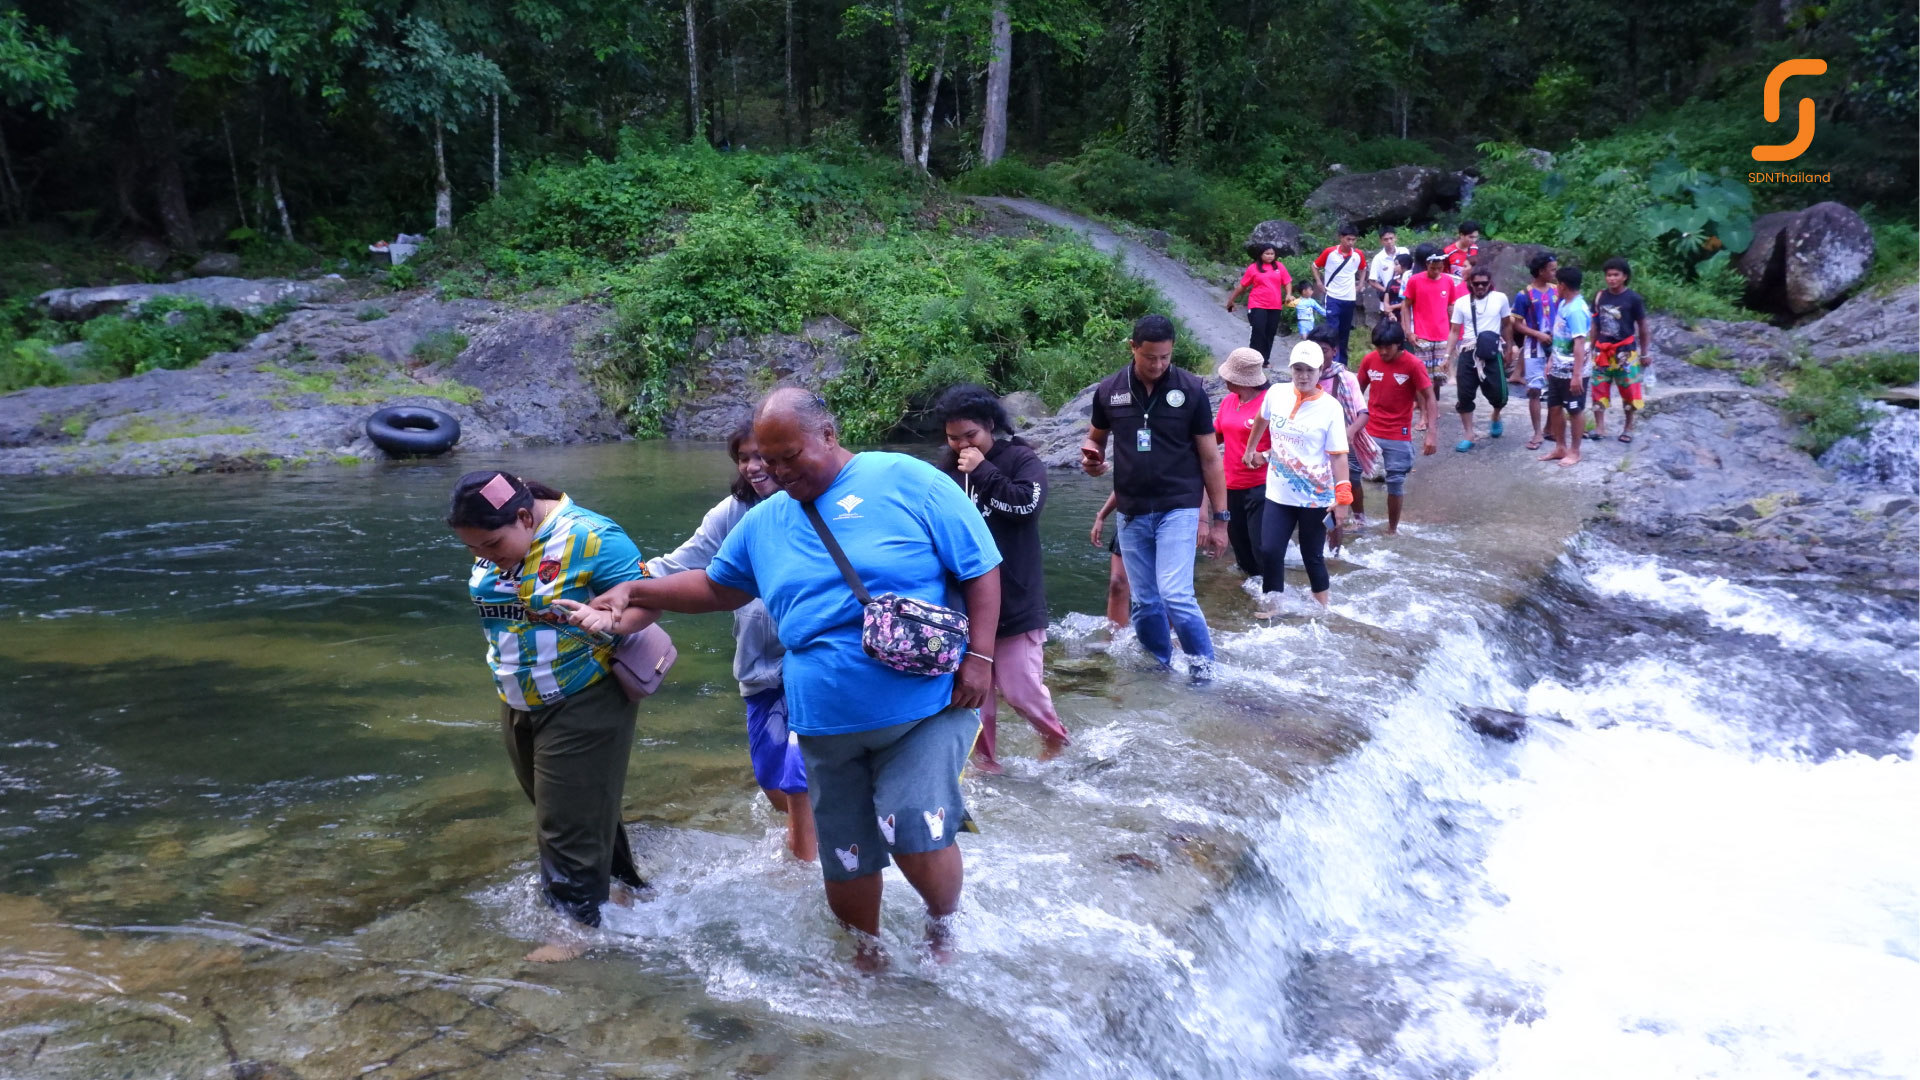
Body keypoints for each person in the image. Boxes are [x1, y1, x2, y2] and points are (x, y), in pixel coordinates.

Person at [562, 388, 1002, 969]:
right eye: (768, 460)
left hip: (921, 704)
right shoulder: (764, 520)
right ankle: (865, 956)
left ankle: (942, 929)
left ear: (829, 433)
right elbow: (718, 586)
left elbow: (982, 566)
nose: (778, 470)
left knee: (914, 828)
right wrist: (634, 590)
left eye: (791, 455)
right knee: (844, 854)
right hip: (822, 720)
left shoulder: (907, 479)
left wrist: (982, 658)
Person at [446, 471, 655, 962]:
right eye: (475, 549)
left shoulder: (593, 537)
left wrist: (609, 619)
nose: (486, 555)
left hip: (583, 693)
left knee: (563, 821)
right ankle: (625, 888)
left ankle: (575, 928)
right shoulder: (495, 540)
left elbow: (647, 600)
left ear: (524, 517)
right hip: (518, 696)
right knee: (570, 808)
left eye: (493, 543)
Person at [644, 422, 815, 863]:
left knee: (800, 778)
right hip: (759, 664)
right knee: (771, 779)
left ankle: (808, 861)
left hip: (811, 660)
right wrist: (623, 583)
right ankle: (821, 830)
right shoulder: (732, 512)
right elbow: (682, 564)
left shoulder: (813, 500)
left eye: (763, 456)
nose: (755, 467)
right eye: (745, 458)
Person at [1081, 314, 1229, 683]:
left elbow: (1210, 458)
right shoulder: (1109, 390)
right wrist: (1091, 459)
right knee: (1145, 601)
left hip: (1178, 505)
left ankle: (1204, 671)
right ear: (1133, 348)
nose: (1159, 365)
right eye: (1151, 357)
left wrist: (1219, 521)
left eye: (1165, 357)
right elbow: (1095, 439)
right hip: (1131, 509)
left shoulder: (1191, 390)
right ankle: (1159, 668)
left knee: (1175, 593)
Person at [933, 385, 1070, 774]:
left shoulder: (1020, 459)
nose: (962, 446)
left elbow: (1026, 506)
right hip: (964, 603)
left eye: (970, 436)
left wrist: (983, 471)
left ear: (990, 426)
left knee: (1020, 689)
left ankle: (1055, 737)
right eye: (953, 438)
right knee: (975, 694)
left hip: (1016, 599)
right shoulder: (945, 472)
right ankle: (985, 762)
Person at [1242, 341, 1351, 614]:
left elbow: (1338, 456)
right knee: (1269, 550)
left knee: (1311, 555)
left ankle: (1322, 610)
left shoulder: (1330, 408)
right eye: (1298, 369)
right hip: (1278, 492)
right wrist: (1251, 448)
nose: (1303, 376)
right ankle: (1273, 605)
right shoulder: (1276, 393)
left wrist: (1343, 498)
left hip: (1316, 497)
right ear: (1290, 369)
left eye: (1310, 370)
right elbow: (1261, 419)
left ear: (1320, 371)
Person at [1356, 319, 1439, 534]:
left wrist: (1431, 433)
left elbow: (1430, 397)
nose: (1383, 352)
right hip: (1368, 431)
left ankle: (1392, 530)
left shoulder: (1413, 364)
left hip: (1398, 434)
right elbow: (1356, 393)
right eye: (1379, 346)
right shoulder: (1369, 361)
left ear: (1399, 344)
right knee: (1352, 473)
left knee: (1395, 482)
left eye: (1388, 347)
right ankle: (1359, 521)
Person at [1304, 323, 1375, 553]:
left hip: (1343, 444)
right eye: (1315, 349)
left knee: (1346, 487)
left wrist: (1350, 432)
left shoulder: (1346, 379)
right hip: (1313, 446)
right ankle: (1317, 546)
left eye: (1324, 350)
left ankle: (1335, 550)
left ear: (1334, 351)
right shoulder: (1303, 376)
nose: (1319, 355)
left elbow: (1363, 413)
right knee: (1318, 496)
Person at [1213, 348, 1273, 578]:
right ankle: (1246, 598)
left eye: (1229, 376)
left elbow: (1287, 443)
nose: (1224, 379)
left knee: (1261, 547)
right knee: (1240, 548)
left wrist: (1265, 455)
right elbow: (1216, 435)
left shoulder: (1268, 403)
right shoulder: (1229, 401)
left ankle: (1272, 597)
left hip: (1261, 486)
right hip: (1230, 486)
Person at [1444, 267, 1513, 451]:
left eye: (1484, 283)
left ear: (1490, 283)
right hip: (1468, 351)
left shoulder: (1500, 299)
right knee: (1464, 394)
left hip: (1492, 351)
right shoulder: (1461, 303)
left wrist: (1509, 348)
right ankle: (1469, 434)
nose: (1481, 286)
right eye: (1477, 283)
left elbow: (1507, 324)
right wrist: (1447, 356)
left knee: (1500, 394)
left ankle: (1496, 416)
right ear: (1470, 284)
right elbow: (1454, 331)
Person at [1587, 257, 1653, 443]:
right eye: (1608, 275)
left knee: (1629, 391)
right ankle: (1599, 427)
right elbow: (1595, 324)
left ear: (1625, 276)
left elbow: (1642, 326)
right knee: (1598, 389)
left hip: (1626, 352)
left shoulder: (1633, 298)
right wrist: (1591, 348)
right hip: (1602, 351)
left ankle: (1628, 427)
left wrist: (1645, 352)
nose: (1611, 278)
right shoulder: (1600, 296)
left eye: (1616, 275)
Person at [1507, 250, 1561, 450]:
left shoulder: (1557, 291)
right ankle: (1537, 432)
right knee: (1534, 390)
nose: (1555, 273)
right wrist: (1538, 335)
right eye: (1552, 269)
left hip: (1556, 346)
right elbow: (1517, 324)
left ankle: (1549, 428)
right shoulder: (1524, 295)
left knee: (1556, 389)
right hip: (1533, 347)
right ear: (1540, 271)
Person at [1540, 265, 1592, 469]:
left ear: (1563, 285)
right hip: (1558, 367)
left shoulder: (1577, 310)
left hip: (1574, 371)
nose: (1555, 287)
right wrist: (1551, 360)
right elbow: (1560, 336)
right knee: (1554, 406)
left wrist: (1577, 375)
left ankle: (1575, 451)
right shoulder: (1564, 304)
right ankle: (1560, 446)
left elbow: (1580, 343)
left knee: (1574, 409)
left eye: (1557, 283)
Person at [1403, 248, 1462, 400]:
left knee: (1438, 375)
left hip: (1442, 335)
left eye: (1440, 268)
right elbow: (1406, 305)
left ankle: (1432, 406)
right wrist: (1408, 331)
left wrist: (1453, 334)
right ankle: (1424, 411)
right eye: (1432, 268)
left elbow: (1451, 307)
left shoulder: (1448, 281)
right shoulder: (1415, 280)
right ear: (1426, 265)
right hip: (1422, 334)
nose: (1436, 271)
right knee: (1422, 375)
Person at [1224, 244, 1294, 363]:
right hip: (1257, 304)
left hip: (1275, 305)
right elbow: (1242, 286)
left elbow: (1287, 282)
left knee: (1270, 333)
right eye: (1267, 254)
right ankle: (1253, 361)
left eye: (1272, 254)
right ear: (1260, 255)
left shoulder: (1279, 267)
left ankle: (1264, 361)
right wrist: (1231, 300)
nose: (1270, 256)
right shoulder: (1253, 268)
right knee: (1258, 330)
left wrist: (1288, 294)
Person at [1312, 224, 1369, 366]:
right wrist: (1319, 282)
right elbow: (1315, 266)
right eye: (1348, 239)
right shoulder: (1330, 252)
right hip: (1332, 296)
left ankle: (1342, 362)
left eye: (1354, 240)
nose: (1351, 243)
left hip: (1349, 298)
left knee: (1345, 331)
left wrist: (1360, 284)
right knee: (1332, 329)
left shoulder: (1358, 255)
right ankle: (1331, 362)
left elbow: (1363, 268)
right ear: (1341, 238)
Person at [1367, 229, 1411, 327]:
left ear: (1395, 238)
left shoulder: (1404, 251)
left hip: (1406, 294)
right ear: (1381, 241)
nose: (1389, 242)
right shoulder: (1378, 258)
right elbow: (1372, 281)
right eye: (1385, 239)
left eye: (1391, 238)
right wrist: (1387, 290)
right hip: (1389, 298)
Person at [1381, 252, 1414, 327]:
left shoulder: (1411, 282)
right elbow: (1386, 301)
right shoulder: (1392, 282)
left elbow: (1408, 301)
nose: (1394, 267)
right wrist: (1390, 313)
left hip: (1407, 317)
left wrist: (1391, 307)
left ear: (1404, 265)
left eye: (1396, 264)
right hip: (1391, 316)